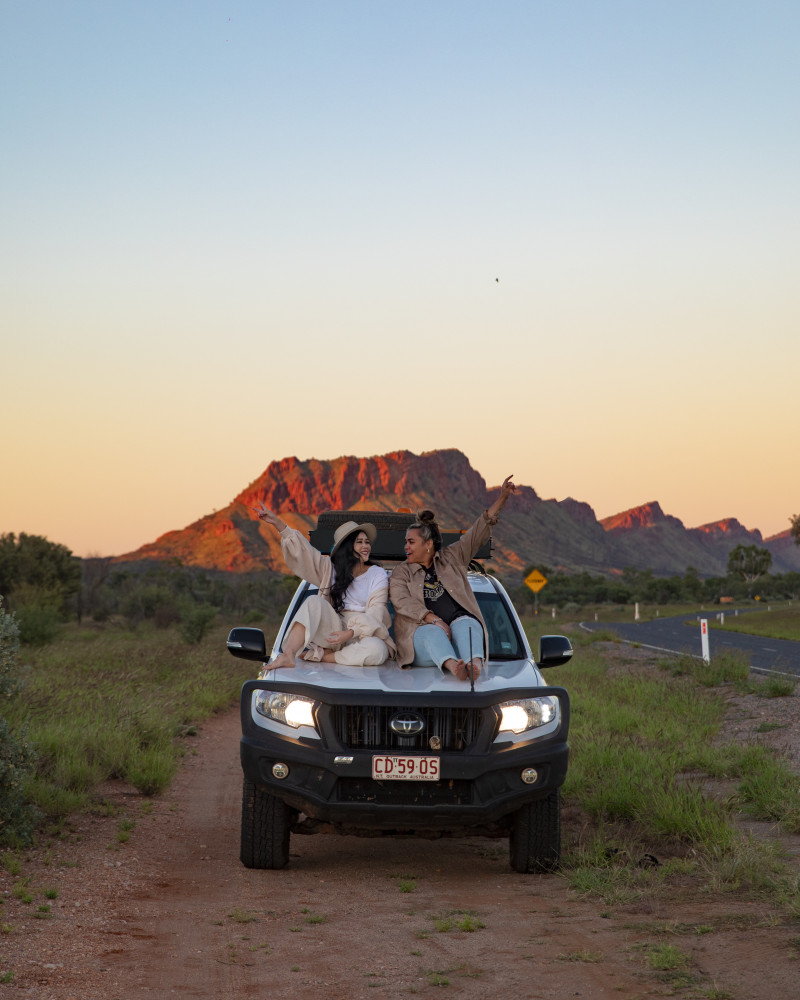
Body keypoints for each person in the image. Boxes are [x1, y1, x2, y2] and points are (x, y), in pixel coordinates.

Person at [388, 476, 517, 681]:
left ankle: (473, 665)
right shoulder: (400, 573)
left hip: (459, 633)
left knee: (467, 623)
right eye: (406, 542)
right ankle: (453, 667)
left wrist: (502, 498)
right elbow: (401, 602)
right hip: (420, 639)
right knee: (433, 633)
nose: (406, 547)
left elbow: (478, 531)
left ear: (428, 544)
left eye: (411, 542)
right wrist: (435, 620)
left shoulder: (453, 558)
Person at [252, 504, 394, 669]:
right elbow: (306, 553)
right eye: (359, 542)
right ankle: (288, 655)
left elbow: (376, 613)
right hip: (333, 630)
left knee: (377, 649)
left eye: (367, 542)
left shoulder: (378, 574)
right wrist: (277, 523)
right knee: (313, 601)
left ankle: (326, 658)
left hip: (364, 633)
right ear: (347, 547)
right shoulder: (330, 569)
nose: (365, 546)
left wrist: (350, 633)